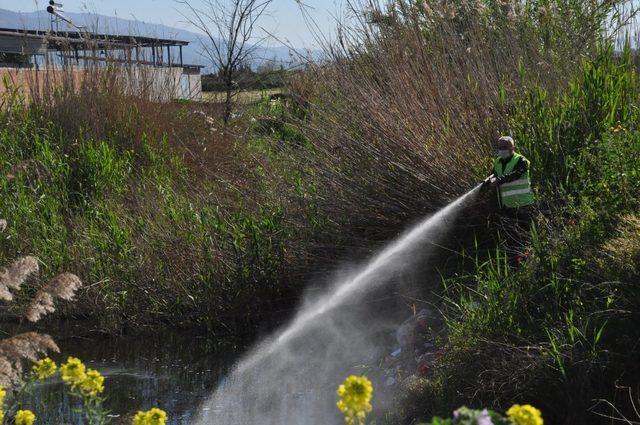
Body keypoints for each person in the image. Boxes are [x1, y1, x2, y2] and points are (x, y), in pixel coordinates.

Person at [483, 136, 535, 261]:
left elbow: (515, 174)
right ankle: (516, 264)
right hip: (506, 206)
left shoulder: (521, 160)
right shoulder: (498, 161)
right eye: (500, 147)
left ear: (513, 148)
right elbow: (494, 174)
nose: (502, 150)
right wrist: (487, 181)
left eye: (505, 147)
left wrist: (498, 180)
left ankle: (527, 262)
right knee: (512, 238)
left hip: (522, 205)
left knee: (524, 236)